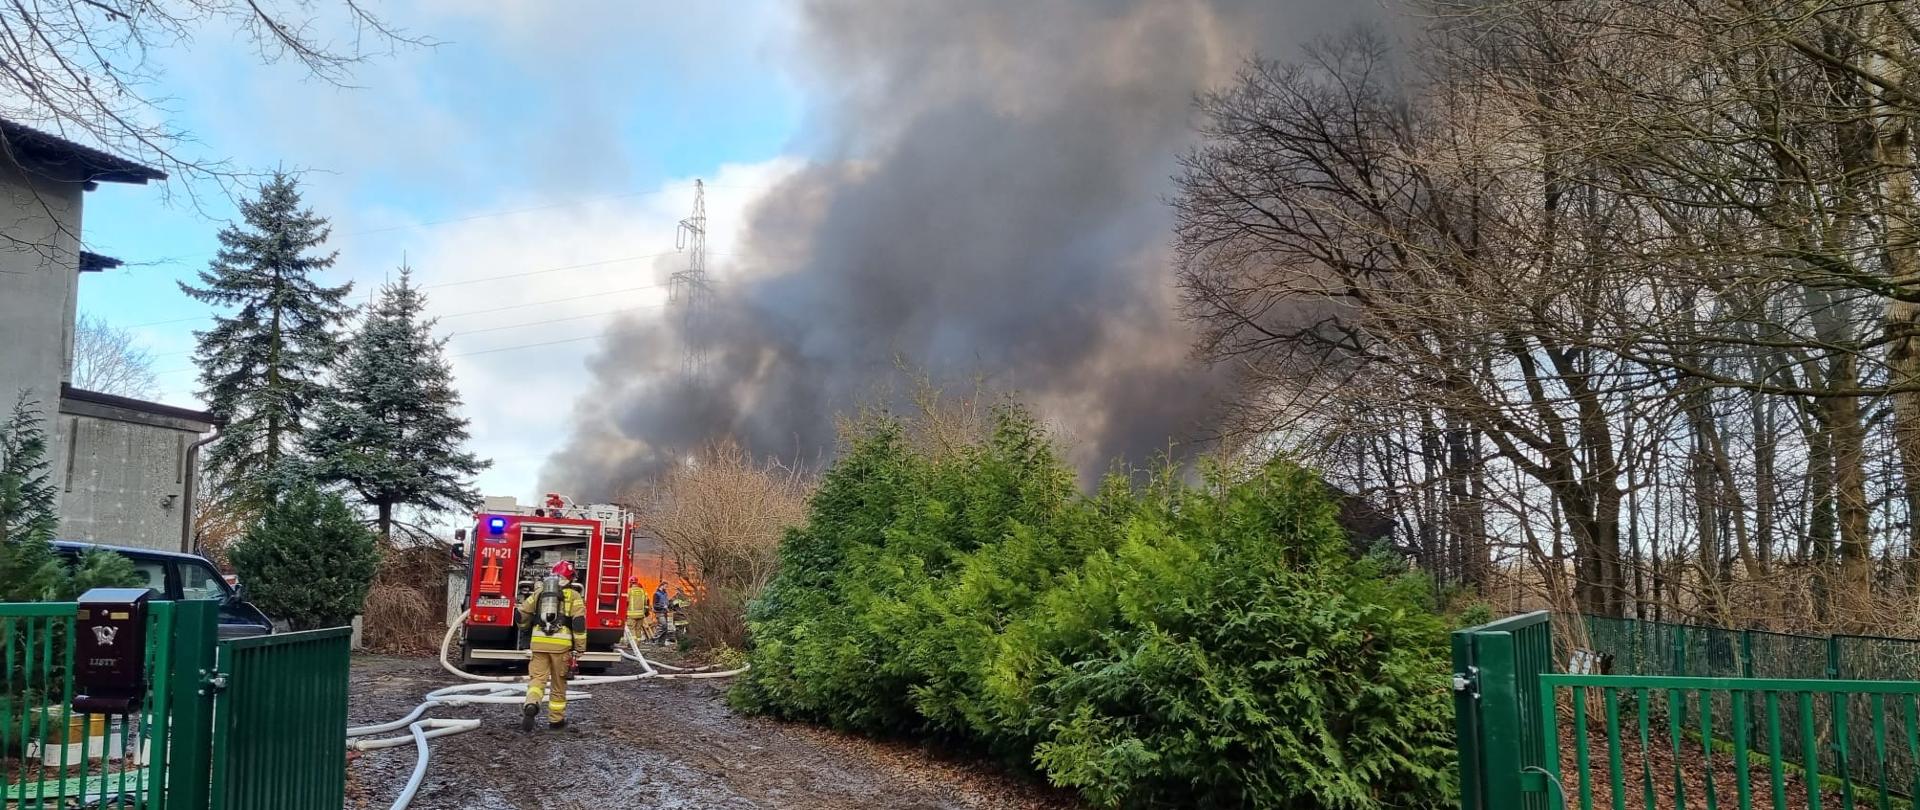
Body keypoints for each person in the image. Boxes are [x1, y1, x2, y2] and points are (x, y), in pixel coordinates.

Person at [517, 560, 585, 731]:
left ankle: (531, 704)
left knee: (537, 680)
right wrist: (580, 648)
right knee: (558, 683)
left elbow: (522, 614)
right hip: (561, 647)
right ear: (570, 578)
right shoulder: (574, 596)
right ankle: (556, 720)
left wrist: (524, 630)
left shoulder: (540, 592)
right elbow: (578, 624)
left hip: (539, 644)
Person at [624, 575, 647, 645]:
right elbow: (646, 602)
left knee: (632, 629)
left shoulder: (629, 591)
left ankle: (633, 644)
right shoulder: (642, 591)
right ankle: (638, 644)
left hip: (631, 614)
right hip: (641, 614)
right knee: (638, 629)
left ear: (630, 583)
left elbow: (626, 602)